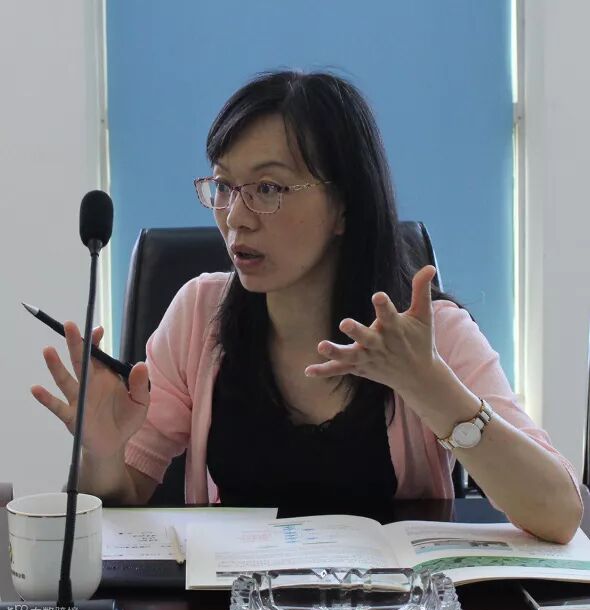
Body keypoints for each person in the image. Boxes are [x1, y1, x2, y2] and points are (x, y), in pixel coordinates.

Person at [32, 70, 582, 543]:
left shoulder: (429, 333)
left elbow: (558, 514)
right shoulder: (199, 315)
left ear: (344, 206)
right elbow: (121, 501)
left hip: (391, 607)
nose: (236, 217)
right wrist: (102, 454)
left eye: (268, 189)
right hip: (235, 604)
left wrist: (433, 388)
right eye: (224, 186)